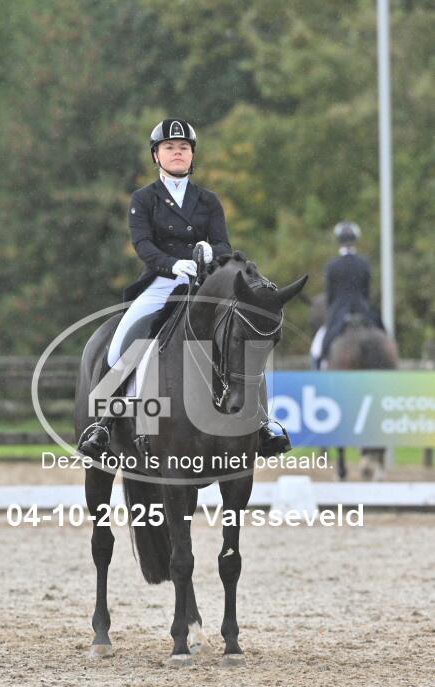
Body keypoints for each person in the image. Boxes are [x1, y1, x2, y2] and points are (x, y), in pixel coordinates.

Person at [78, 118, 290, 458]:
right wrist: (172, 264)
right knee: (125, 339)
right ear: (156, 155)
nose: (177, 153)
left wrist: (210, 253)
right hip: (161, 283)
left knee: (240, 335)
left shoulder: (208, 200)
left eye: (183, 147)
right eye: (169, 147)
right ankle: (105, 422)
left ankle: (261, 420)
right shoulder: (144, 199)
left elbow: (223, 245)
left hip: (205, 285)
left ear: (192, 155)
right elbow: (143, 245)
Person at [315, 221, 378, 368]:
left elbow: (330, 294)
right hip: (362, 308)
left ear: (339, 241)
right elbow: (366, 292)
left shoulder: (332, 265)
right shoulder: (364, 263)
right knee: (382, 330)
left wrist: (331, 310)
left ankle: (322, 362)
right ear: (355, 240)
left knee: (323, 343)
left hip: (339, 310)